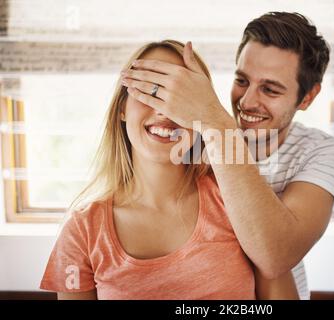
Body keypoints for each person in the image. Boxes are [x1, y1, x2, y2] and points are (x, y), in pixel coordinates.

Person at [39, 40, 298, 300]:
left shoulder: (237, 202)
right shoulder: (82, 231)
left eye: (182, 99)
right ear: (122, 108)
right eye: (151, 92)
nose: (165, 110)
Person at [121, 12, 334, 299]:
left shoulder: (322, 153)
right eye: (242, 81)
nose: (247, 101)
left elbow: (274, 255)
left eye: (270, 89)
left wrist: (216, 123)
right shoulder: (196, 137)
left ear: (307, 97)